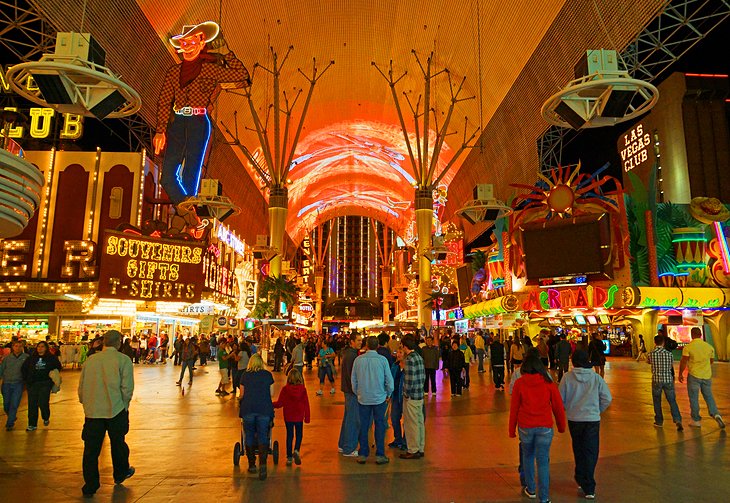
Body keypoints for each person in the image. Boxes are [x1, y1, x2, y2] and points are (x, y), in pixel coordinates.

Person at [78, 330, 135, 497]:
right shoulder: (123, 360)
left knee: (90, 450)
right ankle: (120, 473)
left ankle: (90, 484)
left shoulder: (91, 360)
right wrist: (124, 405)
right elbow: (127, 387)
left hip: (93, 411)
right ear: (119, 343)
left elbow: (82, 386)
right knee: (118, 444)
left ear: (103, 342)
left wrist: (86, 404)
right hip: (115, 409)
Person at [509, 352, 566, 503]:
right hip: (545, 427)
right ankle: (545, 497)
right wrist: (561, 426)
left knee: (527, 457)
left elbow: (514, 408)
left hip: (526, 427)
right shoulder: (549, 383)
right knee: (543, 461)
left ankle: (531, 489)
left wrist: (511, 429)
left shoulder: (520, 383)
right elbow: (558, 407)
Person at [559, 350, 612, 499]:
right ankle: (589, 485)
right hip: (592, 420)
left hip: (574, 419)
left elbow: (560, 398)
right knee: (591, 451)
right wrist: (597, 410)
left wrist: (569, 409)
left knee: (578, 448)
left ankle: (581, 476)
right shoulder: (596, 378)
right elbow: (607, 398)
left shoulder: (567, 378)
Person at [351, 336, 394, 465]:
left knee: (363, 425)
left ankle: (363, 453)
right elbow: (389, 381)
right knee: (380, 426)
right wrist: (388, 393)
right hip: (379, 398)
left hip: (363, 398)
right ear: (378, 346)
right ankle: (380, 454)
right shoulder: (383, 360)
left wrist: (358, 392)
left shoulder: (358, 360)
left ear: (367, 345)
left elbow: (353, 380)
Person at [678, 327, 724, 429]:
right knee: (709, 396)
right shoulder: (709, 347)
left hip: (694, 375)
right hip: (707, 376)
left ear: (691, 335)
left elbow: (684, 361)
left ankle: (696, 420)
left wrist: (680, 373)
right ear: (701, 335)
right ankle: (716, 414)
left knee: (694, 398)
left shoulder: (688, 347)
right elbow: (711, 361)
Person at [239, 354, 275, 480]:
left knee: (248, 434)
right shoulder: (267, 375)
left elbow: (241, 394)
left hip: (248, 409)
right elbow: (272, 393)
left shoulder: (245, 375)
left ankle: (252, 464)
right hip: (264, 409)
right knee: (263, 435)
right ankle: (263, 464)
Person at [273, 368, 311, 466]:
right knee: (299, 434)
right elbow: (306, 404)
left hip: (288, 416)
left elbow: (280, 403)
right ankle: (296, 450)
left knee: (289, 435)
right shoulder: (303, 389)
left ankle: (289, 457)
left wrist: (271, 404)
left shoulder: (285, 389)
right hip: (299, 416)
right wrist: (307, 417)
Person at [22, 341, 61, 431]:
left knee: (43, 402)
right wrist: (26, 380)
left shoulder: (51, 358)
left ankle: (45, 417)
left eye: (42, 346)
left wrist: (52, 379)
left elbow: (58, 367)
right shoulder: (31, 358)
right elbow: (24, 369)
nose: (40, 348)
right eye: (38, 346)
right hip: (32, 384)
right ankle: (32, 424)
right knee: (32, 404)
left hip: (45, 383)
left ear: (46, 348)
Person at [647, 335, 683, 431]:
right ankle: (677, 420)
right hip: (668, 380)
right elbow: (671, 365)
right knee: (672, 400)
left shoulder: (651, 354)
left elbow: (648, 362)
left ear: (655, 342)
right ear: (663, 342)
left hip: (656, 380)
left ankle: (659, 421)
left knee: (657, 400)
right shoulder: (669, 354)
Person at [400, 335, 426, 460]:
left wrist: (405, 394)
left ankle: (413, 449)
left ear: (405, 346)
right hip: (420, 395)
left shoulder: (409, 359)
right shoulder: (419, 357)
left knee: (411, 424)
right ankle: (420, 448)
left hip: (411, 397)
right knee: (420, 422)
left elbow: (409, 380)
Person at [338, 334, 360, 457]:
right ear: (352, 341)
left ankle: (342, 444)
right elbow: (353, 375)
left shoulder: (348, 354)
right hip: (352, 392)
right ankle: (349, 448)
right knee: (352, 419)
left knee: (348, 418)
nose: (360, 342)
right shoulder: (352, 356)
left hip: (347, 390)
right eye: (358, 340)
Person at [0, 340, 29, 430]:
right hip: (6, 384)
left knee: (14, 404)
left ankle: (10, 423)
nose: (18, 348)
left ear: (22, 347)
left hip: (18, 384)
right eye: (16, 346)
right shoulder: (7, 358)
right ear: (12, 347)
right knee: (6, 404)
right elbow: (1, 370)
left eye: (20, 346)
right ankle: (11, 416)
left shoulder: (27, 358)